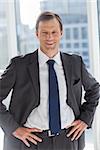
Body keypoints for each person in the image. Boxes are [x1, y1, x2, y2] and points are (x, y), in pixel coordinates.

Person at [0, 11, 100, 150]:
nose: (50, 37)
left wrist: (85, 119)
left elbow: (94, 89)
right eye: (44, 33)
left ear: (61, 33)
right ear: (37, 34)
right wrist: (14, 128)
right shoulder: (19, 65)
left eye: (54, 32)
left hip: (68, 140)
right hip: (31, 142)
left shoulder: (75, 63)